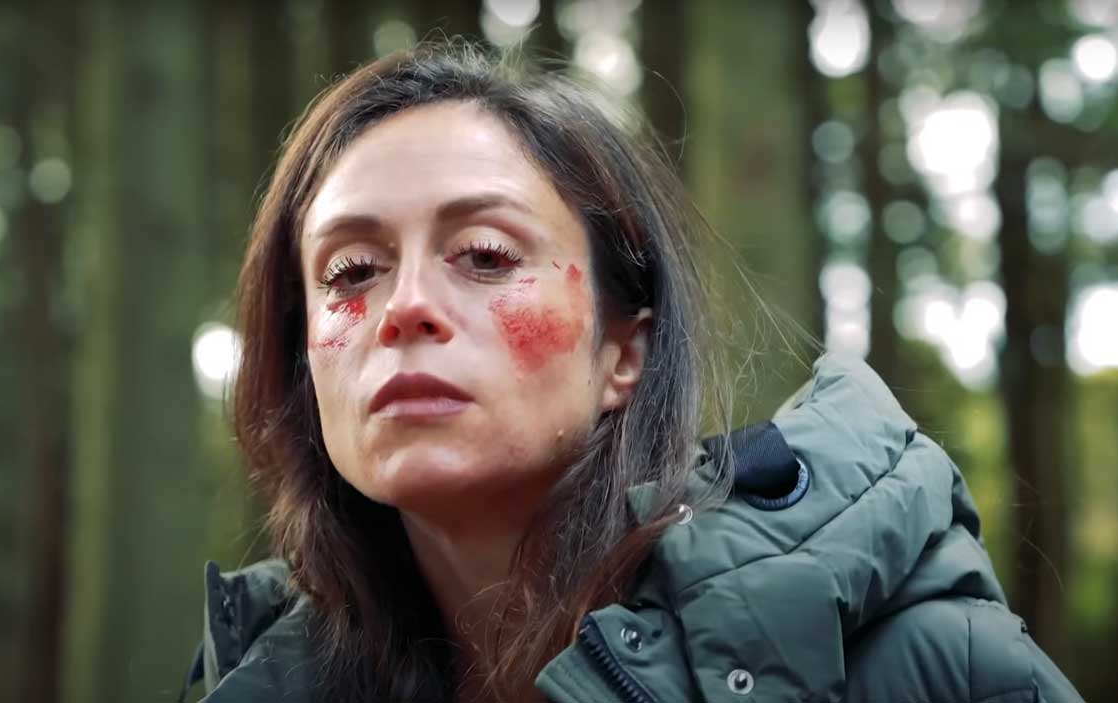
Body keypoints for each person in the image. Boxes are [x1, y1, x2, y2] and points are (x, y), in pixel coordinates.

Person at [180, 40, 1081, 703]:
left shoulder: (907, 657)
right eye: (349, 272)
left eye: (486, 255)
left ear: (624, 351)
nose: (404, 305)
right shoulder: (251, 676)